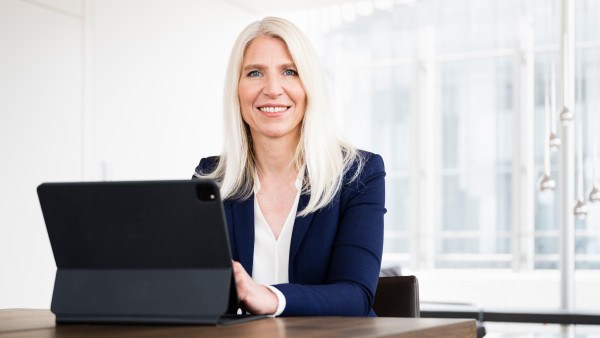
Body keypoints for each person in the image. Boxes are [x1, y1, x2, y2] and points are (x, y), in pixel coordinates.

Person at [193, 16, 385, 317]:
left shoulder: (358, 173)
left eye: (290, 72)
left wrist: (270, 297)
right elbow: (195, 290)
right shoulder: (212, 178)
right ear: (237, 89)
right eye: (255, 73)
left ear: (309, 86)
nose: (272, 89)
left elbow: (356, 295)